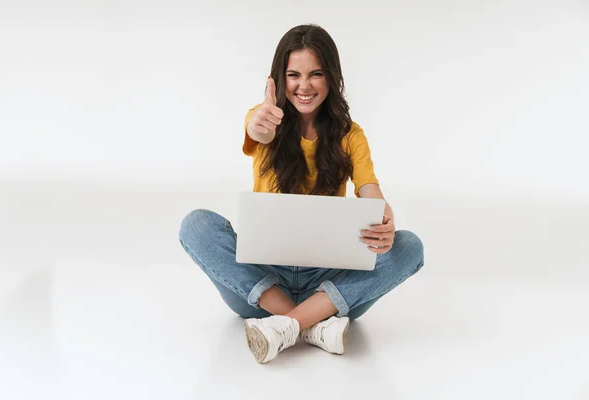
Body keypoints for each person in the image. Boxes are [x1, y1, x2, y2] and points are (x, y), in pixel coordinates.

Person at [179, 24, 424, 364]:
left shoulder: (350, 136)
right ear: (279, 78)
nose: (304, 86)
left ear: (331, 78)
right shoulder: (265, 118)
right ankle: (309, 326)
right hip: (261, 284)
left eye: (316, 74)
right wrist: (259, 126)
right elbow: (257, 131)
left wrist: (383, 216)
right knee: (196, 225)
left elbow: (369, 189)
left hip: (326, 285)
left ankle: (286, 326)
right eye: (293, 74)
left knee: (409, 245)